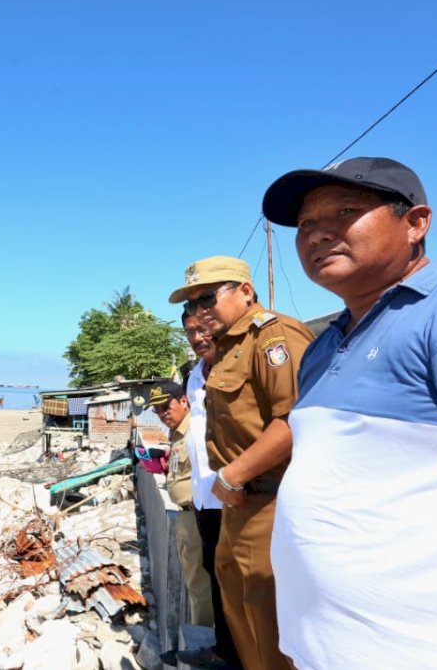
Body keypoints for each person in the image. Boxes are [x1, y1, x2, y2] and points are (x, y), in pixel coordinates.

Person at [262, 156, 437, 668]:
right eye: (306, 223)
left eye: (346, 211)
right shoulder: (324, 345)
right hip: (325, 650)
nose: (318, 234)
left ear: (416, 223)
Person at [168, 256, 313, 670]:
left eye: (207, 299)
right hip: (236, 504)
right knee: (240, 616)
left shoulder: (273, 337)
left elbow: (294, 420)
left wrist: (232, 475)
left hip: (268, 501)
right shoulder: (228, 350)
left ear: (245, 291)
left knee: (268, 625)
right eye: (190, 307)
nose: (199, 312)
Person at [175, 311, 240, 669]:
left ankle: (243, 655)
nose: (198, 337)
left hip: (234, 495)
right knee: (215, 576)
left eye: (204, 329)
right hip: (204, 497)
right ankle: (222, 651)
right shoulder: (194, 375)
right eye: (190, 332)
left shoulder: (238, 367)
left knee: (241, 584)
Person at [146, 381, 215, 635]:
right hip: (185, 515)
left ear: (183, 401)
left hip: (197, 514)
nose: (163, 414)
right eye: (157, 410)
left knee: (199, 583)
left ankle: (203, 639)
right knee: (192, 580)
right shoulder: (176, 433)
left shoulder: (196, 430)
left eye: (167, 406)